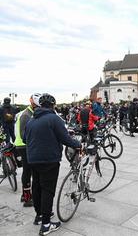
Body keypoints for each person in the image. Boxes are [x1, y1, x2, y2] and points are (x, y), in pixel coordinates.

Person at [24, 93, 81, 235]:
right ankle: (46, 225)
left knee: (37, 188)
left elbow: (25, 138)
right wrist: (78, 145)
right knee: (47, 190)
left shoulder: (32, 119)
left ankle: (40, 216)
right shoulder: (54, 118)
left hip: (33, 159)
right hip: (49, 160)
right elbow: (65, 138)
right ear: (53, 105)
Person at [14, 93, 41, 207]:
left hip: (26, 145)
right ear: (32, 104)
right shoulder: (26, 115)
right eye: (38, 106)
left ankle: (25, 195)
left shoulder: (31, 112)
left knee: (29, 170)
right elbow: (24, 134)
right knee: (27, 171)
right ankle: (27, 198)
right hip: (24, 146)